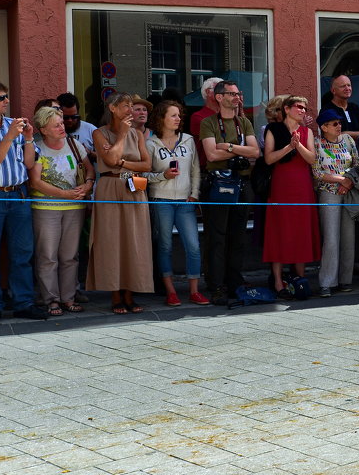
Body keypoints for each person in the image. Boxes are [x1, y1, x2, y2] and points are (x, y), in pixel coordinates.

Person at [87, 91, 153, 314]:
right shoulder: (99, 133)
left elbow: (147, 165)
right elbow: (110, 160)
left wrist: (123, 162)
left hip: (134, 186)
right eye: (126, 106)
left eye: (132, 106)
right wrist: (123, 136)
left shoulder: (139, 134)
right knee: (111, 240)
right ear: (112, 108)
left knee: (134, 240)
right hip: (109, 187)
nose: (131, 110)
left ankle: (130, 293)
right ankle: (115, 294)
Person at [200, 80, 261, 305]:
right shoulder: (208, 123)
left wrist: (228, 147)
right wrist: (238, 153)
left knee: (238, 237)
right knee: (216, 238)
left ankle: (234, 281)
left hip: (241, 184)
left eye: (238, 94)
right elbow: (211, 155)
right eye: (231, 94)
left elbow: (255, 151)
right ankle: (216, 285)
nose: (237, 98)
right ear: (218, 97)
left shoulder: (243, 122)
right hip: (217, 185)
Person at [28, 105, 91, 317]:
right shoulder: (38, 148)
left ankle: (68, 297)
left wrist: (88, 184)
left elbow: (89, 169)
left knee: (70, 256)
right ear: (43, 129)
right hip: (46, 208)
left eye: (62, 123)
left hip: (74, 208)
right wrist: (63, 194)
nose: (62, 127)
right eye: (56, 125)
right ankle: (50, 300)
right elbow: (35, 182)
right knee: (48, 256)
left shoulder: (74, 145)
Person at [146, 100, 205, 307]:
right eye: (173, 115)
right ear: (161, 118)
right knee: (165, 246)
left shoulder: (188, 140)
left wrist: (195, 194)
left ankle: (194, 291)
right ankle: (170, 291)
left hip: (185, 201)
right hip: (161, 200)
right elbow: (142, 176)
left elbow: (195, 169)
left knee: (194, 246)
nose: (178, 119)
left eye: (179, 115)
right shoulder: (150, 143)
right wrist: (163, 176)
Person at [263, 96, 320, 298]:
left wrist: (298, 145)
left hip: (303, 187)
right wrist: (288, 146)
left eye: (305, 108)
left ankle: (299, 279)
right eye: (299, 107)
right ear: (286, 109)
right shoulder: (273, 129)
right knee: (279, 232)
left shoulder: (307, 132)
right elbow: (268, 158)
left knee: (301, 231)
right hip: (281, 186)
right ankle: (278, 281)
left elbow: (312, 159)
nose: (303, 110)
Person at [312, 108, 359, 297]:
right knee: (331, 238)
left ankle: (345, 280)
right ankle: (326, 282)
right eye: (334, 123)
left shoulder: (348, 140)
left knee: (349, 237)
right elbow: (316, 173)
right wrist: (342, 180)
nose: (339, 126)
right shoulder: (317, 143)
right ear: (323, 127)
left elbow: (357, 164)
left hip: (349, 191)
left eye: (339, 122)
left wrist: (348, 183)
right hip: (328, 192)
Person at [188, 77, 222, 167]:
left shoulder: (227, 114)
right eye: (219, 89)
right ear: (208, 92)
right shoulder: (198, 117)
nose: (223, 93)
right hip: (207, 169)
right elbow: (221, 137)